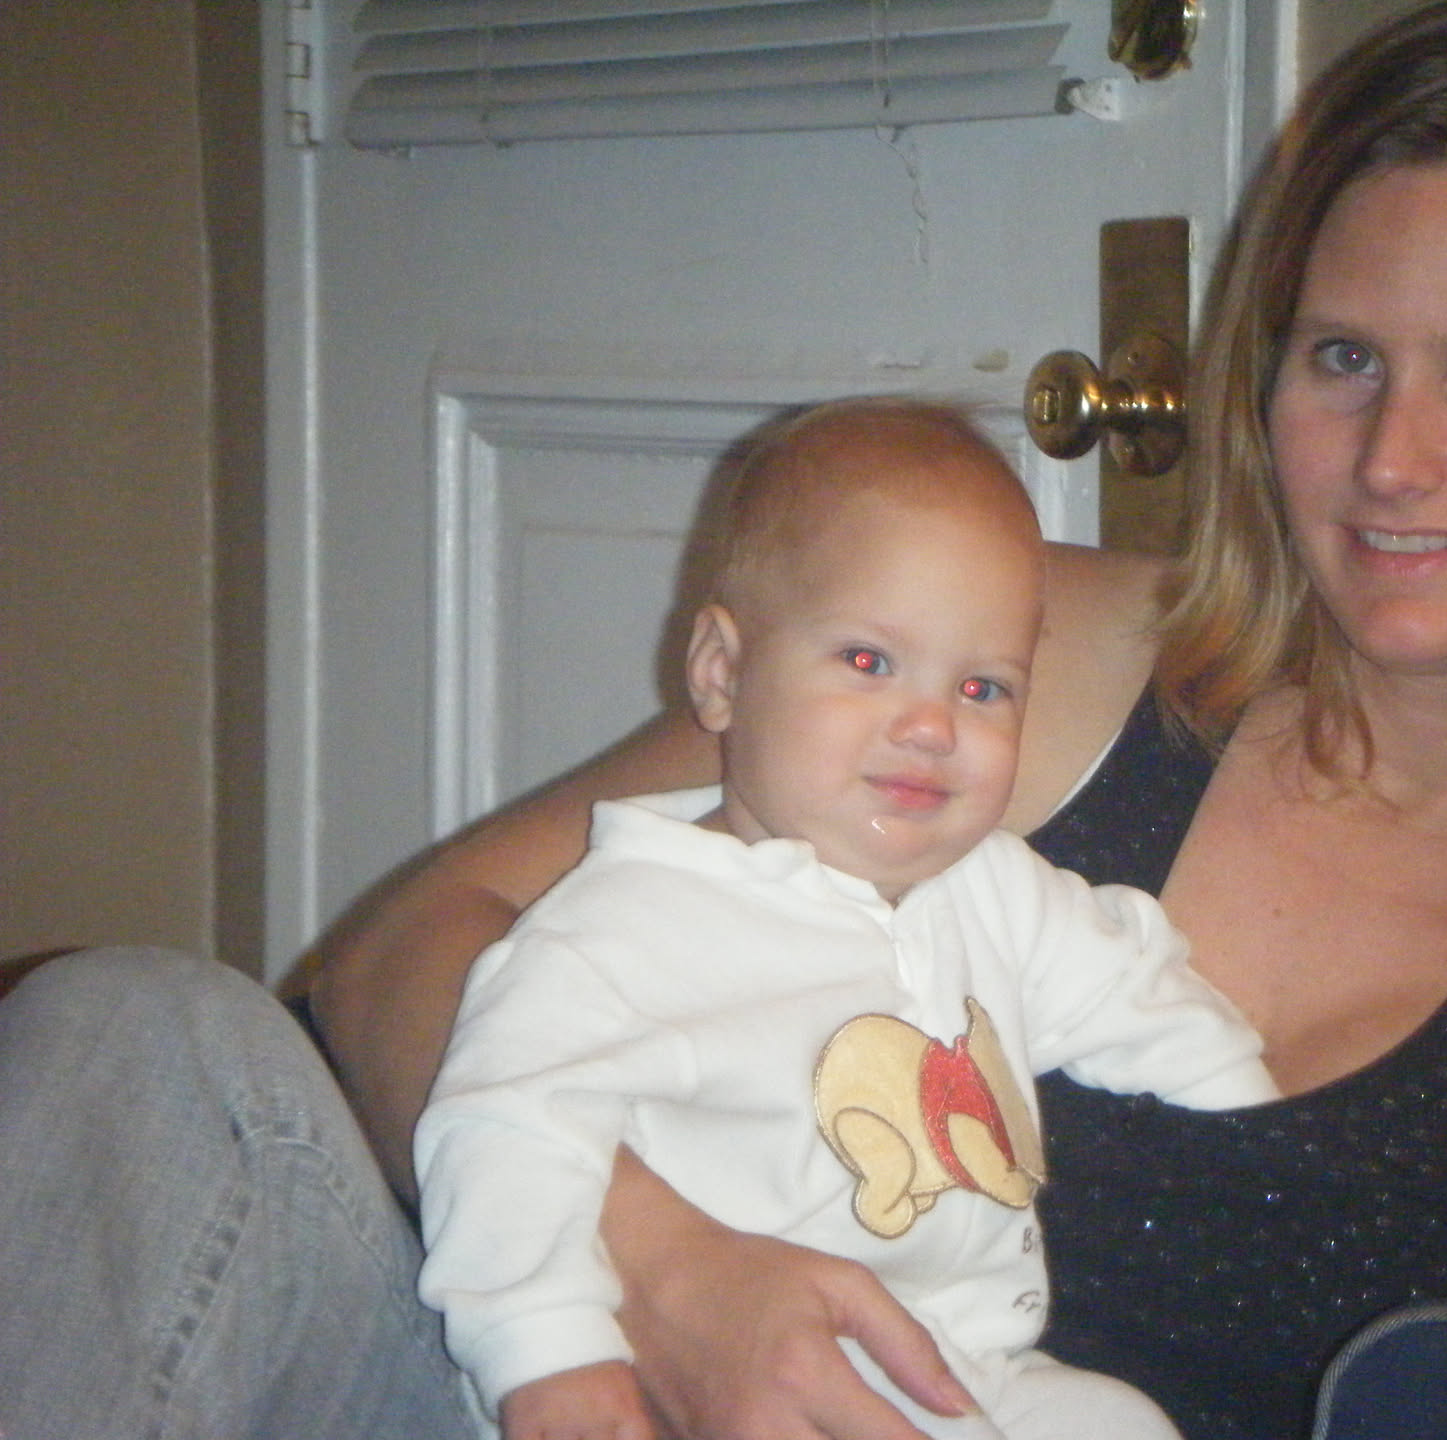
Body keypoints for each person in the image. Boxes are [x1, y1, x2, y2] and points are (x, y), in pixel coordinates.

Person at [0, 2, 1447, 1438]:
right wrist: (668, 1280)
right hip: (568, 1387)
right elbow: (402, 956)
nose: (1394, 459)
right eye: (1340, 358)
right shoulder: (1032, 662)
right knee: (139, 1042)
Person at [414, 397, 1279, 1440]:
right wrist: (548, 1356)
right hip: (703, 1390)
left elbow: (1143, 998)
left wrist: (1256, 1141)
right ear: (723, 673)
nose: (931, 725)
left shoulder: (998, 896)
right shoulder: (624, 927)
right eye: (869, 663)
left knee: (1119, 1423)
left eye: (984, 687)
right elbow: (505, 1128)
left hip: (962, 1373)